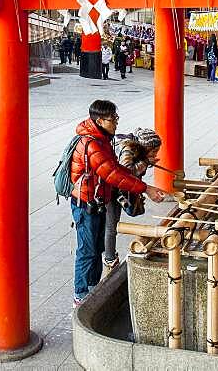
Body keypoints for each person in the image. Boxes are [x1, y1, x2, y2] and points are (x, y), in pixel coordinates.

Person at [69, 100, 167, 305]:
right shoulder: (92, 144)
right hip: (85, 204)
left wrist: (144, 181)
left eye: (116, 118)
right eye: (113, 119)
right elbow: (112, 174)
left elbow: (118, 169)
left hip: (97, 201)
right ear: (100, 120)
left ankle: (92, 287)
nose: (116, 123)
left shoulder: (102, 138)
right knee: (87, 250)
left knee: (96, 247)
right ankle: (80, 294)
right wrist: (146, 189)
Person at [102, 128, 162, 273]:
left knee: (111, 224)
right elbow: (125, 174)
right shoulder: (127, 149)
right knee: (111, 225)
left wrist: (147, 161)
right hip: (110, 188)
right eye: (154, 151)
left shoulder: (136, 149)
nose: (156, 154)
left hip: (116, 188)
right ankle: (109, 258)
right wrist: (145, 162)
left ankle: (108, 254)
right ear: (146, 147)